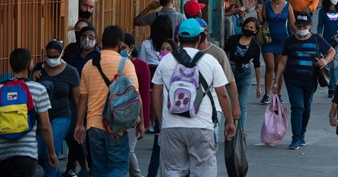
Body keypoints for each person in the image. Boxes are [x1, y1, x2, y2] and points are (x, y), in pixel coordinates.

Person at [151, 19, 236, 175]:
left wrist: (161, 120)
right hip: (202, 125)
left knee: (173, 170)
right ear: (199, 38)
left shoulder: (166, 60)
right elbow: (223, 95)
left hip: (172, 126)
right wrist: (230, 122)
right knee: (204, 171)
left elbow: (156, 93)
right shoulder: (210, 61)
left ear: (178, 39)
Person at [74, 26, 144, 177]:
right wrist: (141, 122)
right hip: (116, 125)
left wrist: (79, 124)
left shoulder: (89, 65)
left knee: (99, 169)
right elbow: (136, 96)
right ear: (119, 43)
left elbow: (83, 98)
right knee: (118, 167)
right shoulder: (125, 64)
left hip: (93, 125)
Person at [0, 48, 57, 177]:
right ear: (30, 65)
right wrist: (51, 152)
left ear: (11, 65)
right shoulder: (39, 90)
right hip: (27, 153)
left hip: (3, 153)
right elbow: (45, 126)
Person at [274, 12, 335, 150]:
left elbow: (331, 51)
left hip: (310, 80)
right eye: (299, 27)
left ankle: (302, 133)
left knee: (306, 108)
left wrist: (324, 61)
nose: (301, 29)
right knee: (297, 107)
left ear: (310, 25)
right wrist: (276, 81)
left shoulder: (316, 40)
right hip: (292, 79)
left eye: (304, 26)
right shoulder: (289, 41)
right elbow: (282, 62)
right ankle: (295, 138)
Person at [34, 40, 80, 177]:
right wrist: (32, 78)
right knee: (39, 153)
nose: (51, 59)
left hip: (61, 116)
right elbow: (30, 90)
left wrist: (80, 121)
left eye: (55, 56)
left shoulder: (71, 72)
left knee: (50, 152)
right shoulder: (39, 68)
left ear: (61, 54)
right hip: (41, 117)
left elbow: (77, 97)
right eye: (49, 56)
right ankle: (57, 173)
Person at [61, 26, 98, 177]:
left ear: (96, 39)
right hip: (74, 101)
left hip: (93, 100)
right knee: (72, 134)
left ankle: (91, 169)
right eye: (84, 36)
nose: (87, 40)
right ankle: (82, 164)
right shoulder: (73, 57)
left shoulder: (98, 56)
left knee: (90, 138)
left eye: (91, 36)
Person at [120, 34, 152, 177]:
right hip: (117, 113)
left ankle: (136, 174)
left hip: (134, 114)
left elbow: (144, 94)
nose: (121, 51)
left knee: (129, 149)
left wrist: (143, 120)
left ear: (132, 48)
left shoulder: (140, 65)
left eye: (124, 48)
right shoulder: (116, 63)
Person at [224, 17, 262, 131]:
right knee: (230, 105)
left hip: (245, 75)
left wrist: (259, 86)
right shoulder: (233, 39)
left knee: (242, 105)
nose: (248, 29)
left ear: (255, 31)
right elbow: (224, 54)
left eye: (251, 28)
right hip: (230, 75)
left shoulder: (255, 46)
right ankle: (229, 128)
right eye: (246, 27)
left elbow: (257, 64)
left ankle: (241, 132)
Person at [318, 0, 338, 98]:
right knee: (328, 64)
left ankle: (332, 88)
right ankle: (328, 82)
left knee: (335, 65)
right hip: (326, 42)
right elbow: (320, 25)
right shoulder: (322, 12)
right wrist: (319, 34)